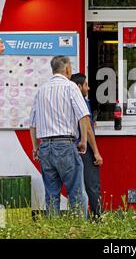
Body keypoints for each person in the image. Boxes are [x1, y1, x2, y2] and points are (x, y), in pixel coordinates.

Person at [29, 56, 90, 218]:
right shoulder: (70, 87)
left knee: (51, 194)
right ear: (68, 69)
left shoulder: (41, 90)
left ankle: (53, 229)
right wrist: (83, 141)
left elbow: (33, 123)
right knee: (76, 192)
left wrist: (36, 148)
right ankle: (79, 229)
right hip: (65, 144)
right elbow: (83, 115)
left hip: (45, 147)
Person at [70, 73, 103, 219]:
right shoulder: (82, 102)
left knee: (76, 186)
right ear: (78, 86)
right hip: (85, 148)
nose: (88, 88)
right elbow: (88, 129)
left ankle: (79, 217)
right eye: (85, 85)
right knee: (92, 185)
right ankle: (97, 217)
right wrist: (96, 152)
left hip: (70, 147)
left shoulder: (68, 101)